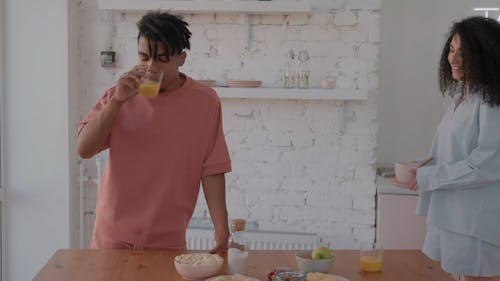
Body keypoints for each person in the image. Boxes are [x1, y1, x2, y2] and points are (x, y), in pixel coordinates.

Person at [77, 11, 231, 253]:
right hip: (112, 236)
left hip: (167, 240)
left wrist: (222, 232)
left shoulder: (205, 102)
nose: (151, 67)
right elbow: (84, 149)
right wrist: (117, 102)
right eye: (144, 57)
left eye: (162, 59)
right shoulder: (120, 94)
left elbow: (212, 170)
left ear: (181, 58)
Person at [409, 16, 500, 281]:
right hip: (454, 215)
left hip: (477, 221)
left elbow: (488, 163)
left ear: (486, 55)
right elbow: (452, 151)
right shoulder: (463, 97)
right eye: (452, 49)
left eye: (464, 53)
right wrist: (422, 168)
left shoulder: (490, 102)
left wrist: (428, 177)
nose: (454, 59)